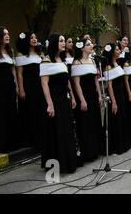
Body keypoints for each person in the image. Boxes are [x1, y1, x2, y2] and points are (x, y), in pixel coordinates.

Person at [40, 34, 78, 174]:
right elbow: (44, 84)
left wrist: (72, 97)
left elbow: (67, 80)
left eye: (64, 41)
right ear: (54, 43)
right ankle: (56, 164)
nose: (63, 43)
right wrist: (50, 104)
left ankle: (68, 160)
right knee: (56, 131)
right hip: (54, 100)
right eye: (61, 41)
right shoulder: (46, 60)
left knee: (66, 130)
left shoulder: (61, 59)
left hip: (64, 100)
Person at [71, 38, 104, 162]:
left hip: (93, 95)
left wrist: (99, 95)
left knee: (95, 120)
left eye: (91, 44)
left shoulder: (92, 61)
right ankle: (88, 152)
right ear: (82, 47)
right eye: (88, 44)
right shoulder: (76, 62)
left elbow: (96, 80)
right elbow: (76, 84)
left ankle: (97, 149)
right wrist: (82, 100)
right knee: (86, 123)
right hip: (83, 96)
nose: (92, 46)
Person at [15, 31, 44, 150]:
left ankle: (40, 138)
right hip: (28, 86)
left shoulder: (40, 53)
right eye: (31, 37)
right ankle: (30, 139)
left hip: (40, 85)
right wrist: (21, 89)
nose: (34, 39)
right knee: (30, 111)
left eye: (35, 37)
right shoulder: (21, 55)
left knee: (39, 111)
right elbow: (19, 74)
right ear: (26, 40)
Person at [102, 42, 131, 155]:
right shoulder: (108, 66)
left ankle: (125, 143)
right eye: (117, 49)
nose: (119, 51)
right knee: (117, 120)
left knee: (123, 118)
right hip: (115, 96)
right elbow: (109, 86)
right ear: (112, 52)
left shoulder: (118, 64)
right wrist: (113, 102)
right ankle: (117, 146)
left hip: (121, 94)